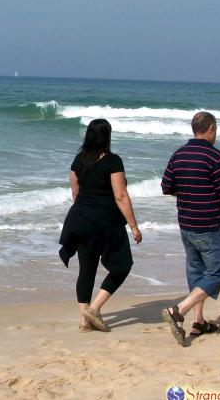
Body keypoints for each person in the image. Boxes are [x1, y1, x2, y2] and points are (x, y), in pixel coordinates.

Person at [160, 111, 220, 346]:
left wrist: (190, 192)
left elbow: (166, 186)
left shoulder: (179, 154)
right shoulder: (214, 156)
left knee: (197, 272)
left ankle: (199, 322)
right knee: (219, 270)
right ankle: (179, 310)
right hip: (208, 225)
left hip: (186, 224)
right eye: (216, 129)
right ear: (211, 129)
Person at [59, 119, 142, 332]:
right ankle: (94, 309)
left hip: (79, 219)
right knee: (123, 265)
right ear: (107, 136)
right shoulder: (113, 161)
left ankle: (84, 321)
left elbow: (75, 193)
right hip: (105, 221)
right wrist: (133, 226)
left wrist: (85, 214)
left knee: (86, 269)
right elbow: (121, 196)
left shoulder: (78, 160)